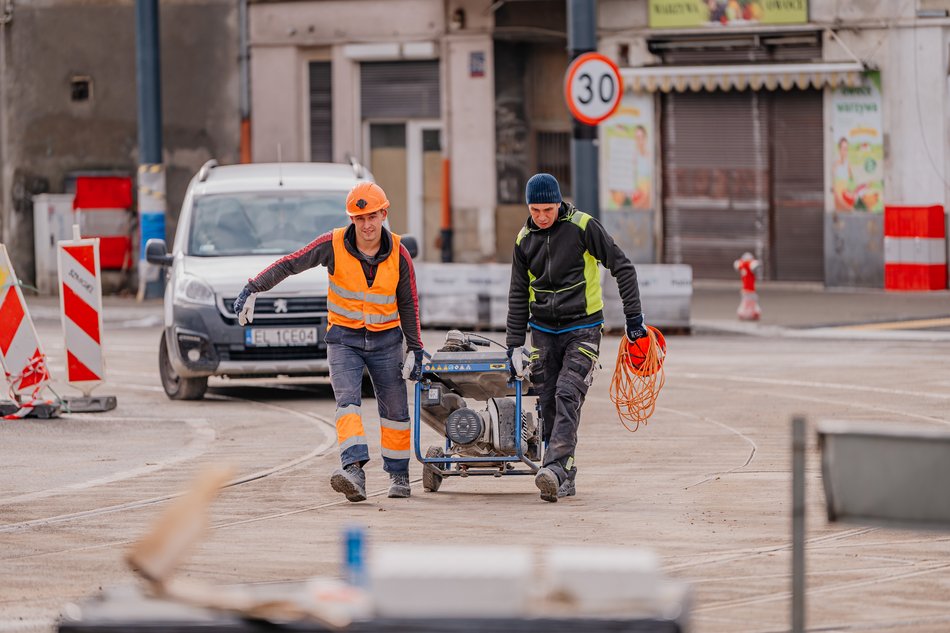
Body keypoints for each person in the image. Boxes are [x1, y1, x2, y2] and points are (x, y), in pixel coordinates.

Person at [232, 182, 424, 502]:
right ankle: (353, 471)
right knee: (347, 404)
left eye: (372, 217)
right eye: (359, 218)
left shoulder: (400, 253)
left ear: (384, 214)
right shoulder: (333, 244)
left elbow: (409, 303)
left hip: (387, 341)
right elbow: (292, 263)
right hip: (344, 340)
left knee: (395, 410)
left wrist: (416, 348)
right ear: (351, 219)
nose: (366, 225)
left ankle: (399, 475)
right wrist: (253, 287)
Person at [506, 173, 647, 503]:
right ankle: (564, 472)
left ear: (559, 203)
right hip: (543, 330)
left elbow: (623, 267)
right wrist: (514, 344)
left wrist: (634, 320)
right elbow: (517, 292)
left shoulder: (583, 227)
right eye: (535, 210)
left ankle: (553, 467)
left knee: (568, 392)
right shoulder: (524, 239)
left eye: (548, 209)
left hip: (583, 326)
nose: (542, 217)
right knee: (548, 401)